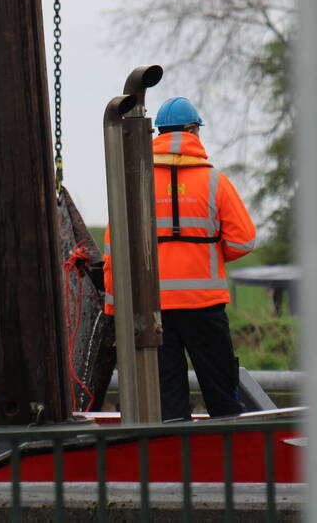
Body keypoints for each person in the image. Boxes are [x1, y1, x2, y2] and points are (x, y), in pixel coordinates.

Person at [103, 97, 256, 421]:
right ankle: (231, 460)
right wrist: (208, 253)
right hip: (205, 305)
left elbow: (113, 251)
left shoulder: (134, 181)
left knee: (168, 399)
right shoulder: (214, 181)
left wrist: (115, 308)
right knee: (222, 393)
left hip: (154, 307)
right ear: (191, 131)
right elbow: (244, 241)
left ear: (158, 133)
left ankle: (174, 463)